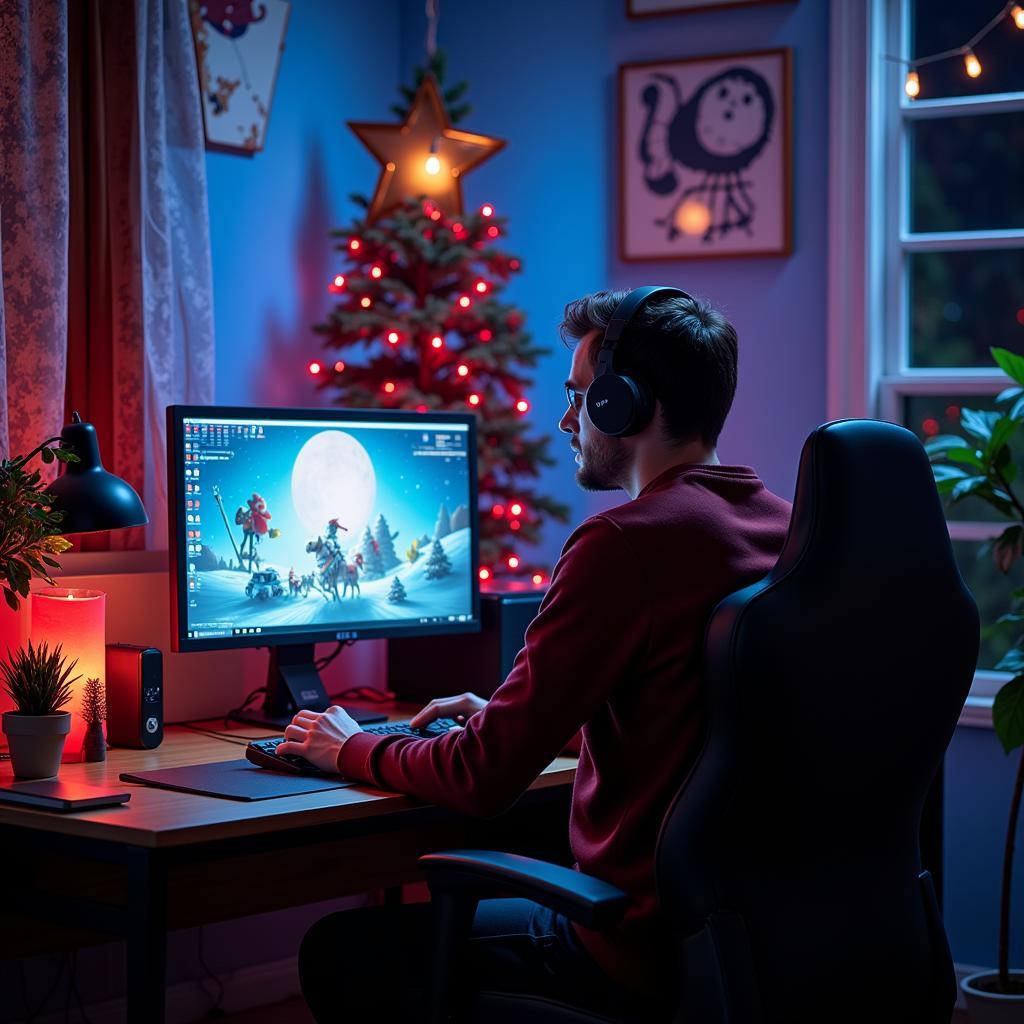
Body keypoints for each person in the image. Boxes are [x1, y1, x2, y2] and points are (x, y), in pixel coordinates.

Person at [284, 289, 793, 1020]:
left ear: (623, 405)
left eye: (579, 396)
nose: (565, 419)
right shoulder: (788, 529)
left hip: (633, 948)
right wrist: (511, 715)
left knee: (339, 952)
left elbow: (481, 776)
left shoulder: (624, 545)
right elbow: (698, 717)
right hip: (759, 940)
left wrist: (353, 746)